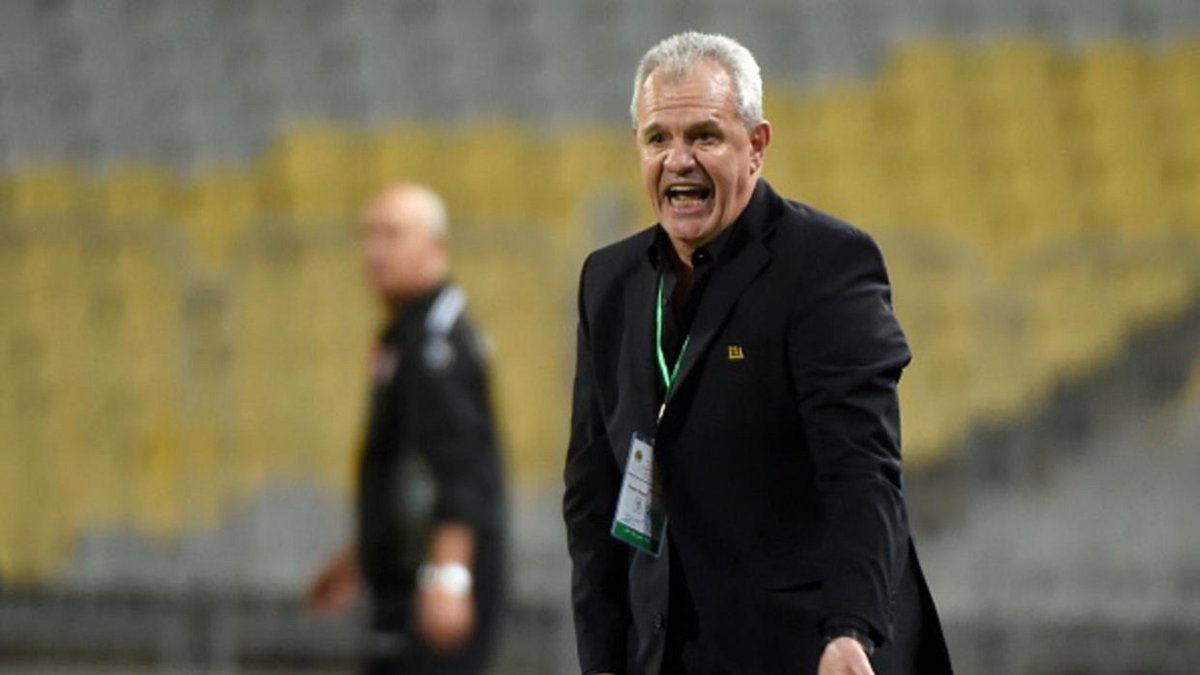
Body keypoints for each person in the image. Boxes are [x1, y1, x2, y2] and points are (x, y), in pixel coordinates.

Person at [562, 32, 952, 675]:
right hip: (666, 653)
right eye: (658, 138)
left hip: (807, 649)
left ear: (757, 145)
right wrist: (603, 660)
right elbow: (593, 494)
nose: (679, 160)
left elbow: (861, 472)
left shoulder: (826, 266)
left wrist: (851, 629)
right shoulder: (609, 282)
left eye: (705, 136)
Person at [309, 184, 507, 675]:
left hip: (435, 581)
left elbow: (462, 466)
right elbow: (403, 463)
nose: (374, 250)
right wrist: (364, 550)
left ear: (435, 246)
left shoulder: (435, 344)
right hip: (406, 578)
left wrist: (450, 576)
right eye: (370, 235)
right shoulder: (407, 333)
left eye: (392, 235)